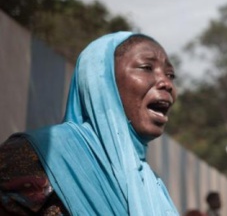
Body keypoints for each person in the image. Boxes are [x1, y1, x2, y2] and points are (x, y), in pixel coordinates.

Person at [0, 32, 179, 215]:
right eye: (146, 67)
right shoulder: (37, 155)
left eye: (171, 75)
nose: (167, 83)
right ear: (102, 79)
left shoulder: (151, 185)